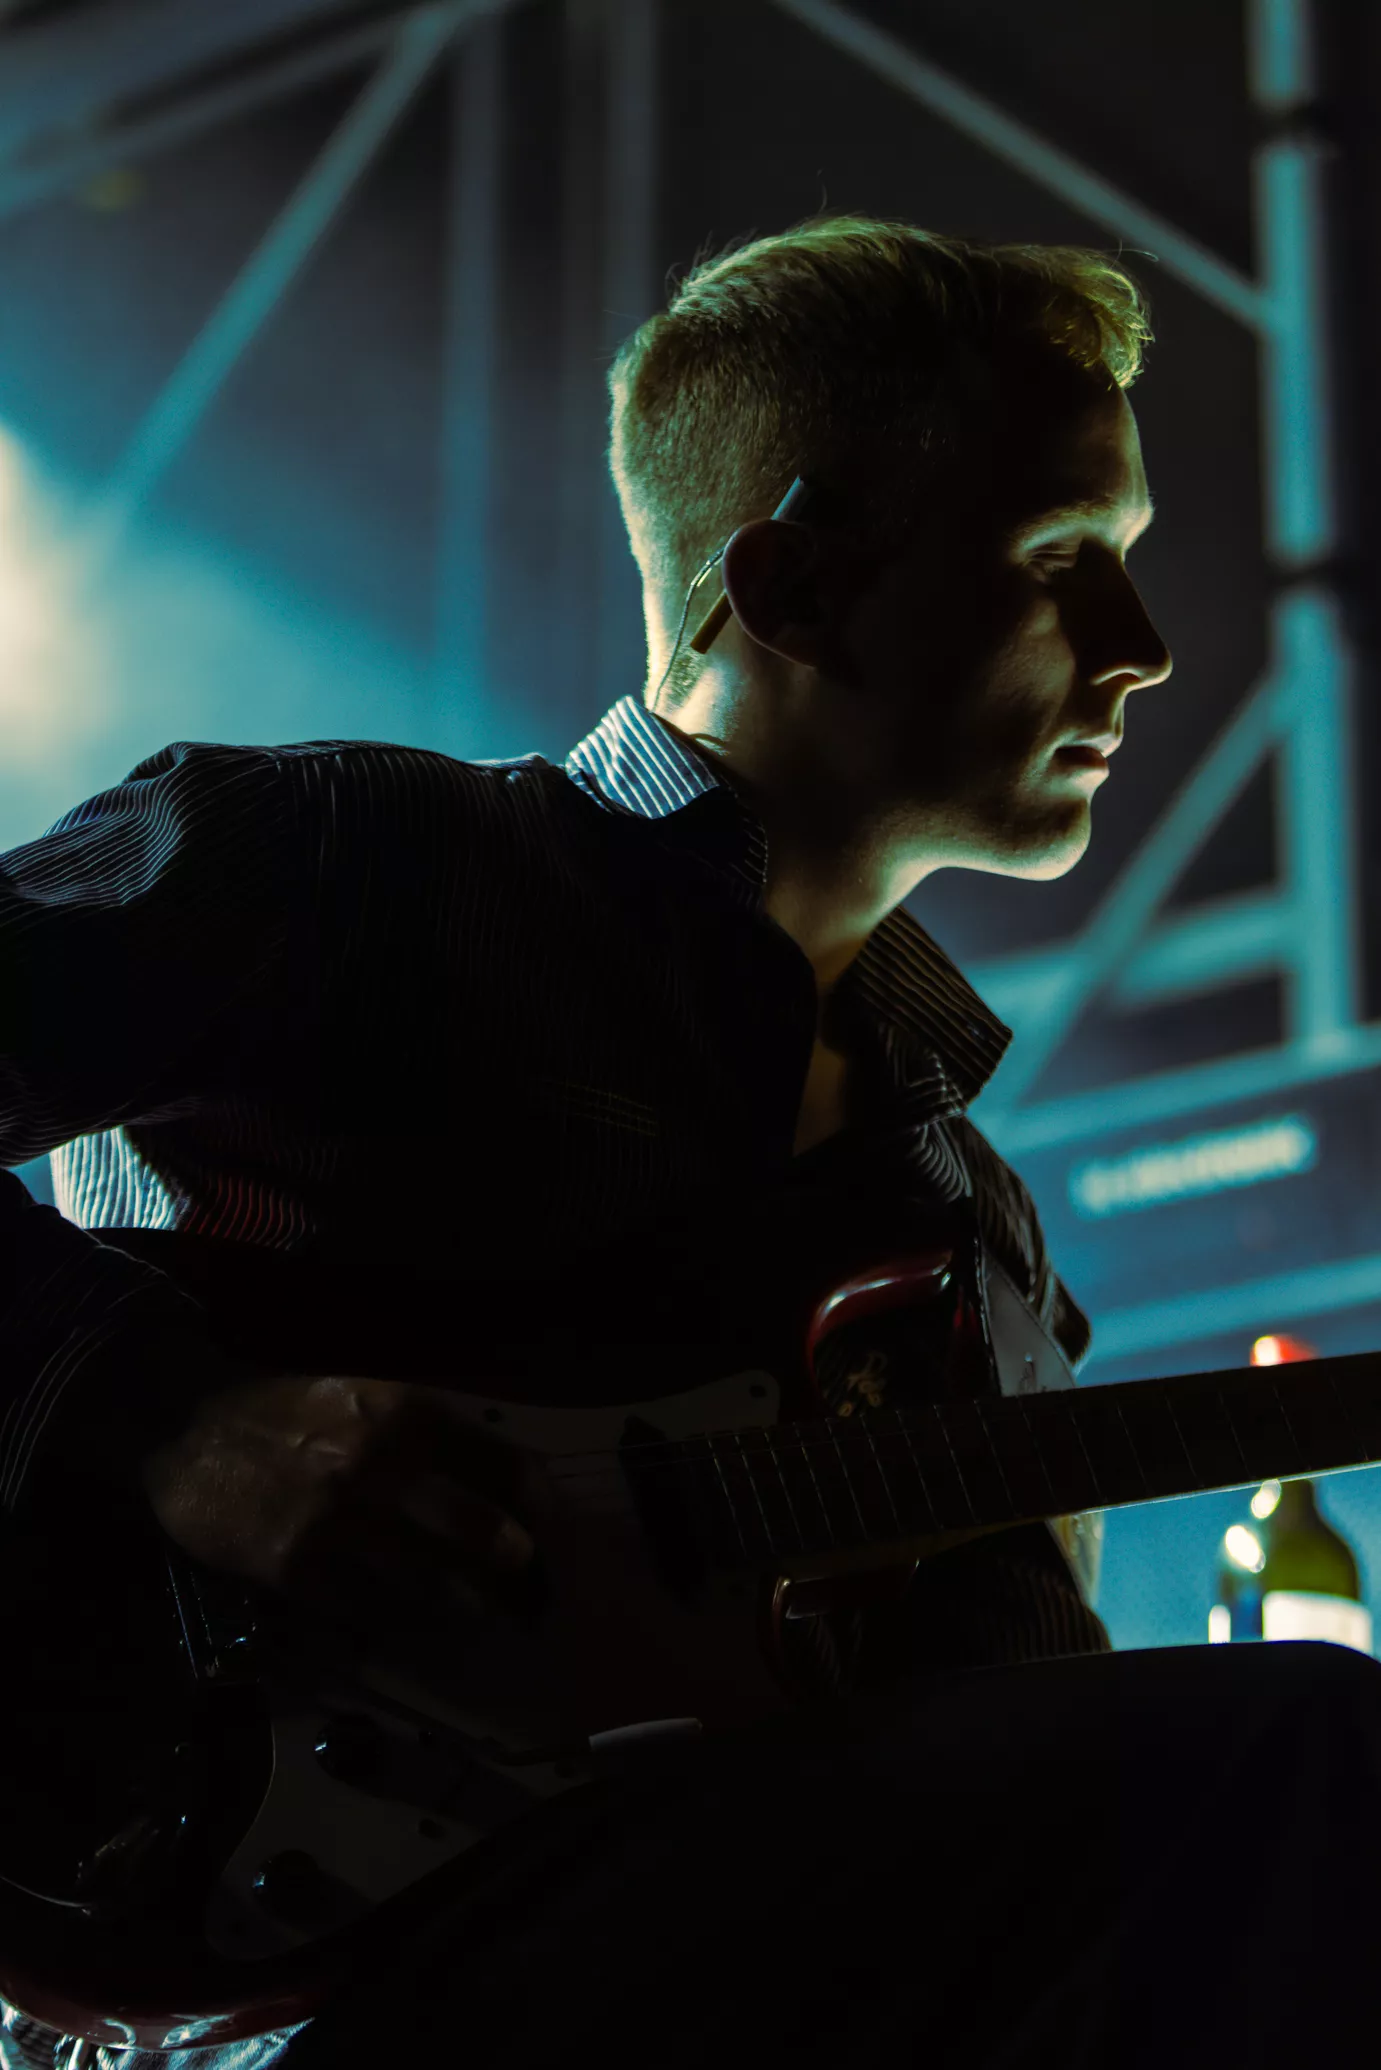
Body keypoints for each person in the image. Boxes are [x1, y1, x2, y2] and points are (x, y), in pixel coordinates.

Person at [3, 214, 1379, 2070]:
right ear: (792, 588)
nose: (1142, 649)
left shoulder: (970, 1232)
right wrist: (182, 1419)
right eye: (1062, 559)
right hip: (261, 1967)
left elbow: (1040, 1802)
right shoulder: (340, 862)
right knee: (1306, 1755)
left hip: (724, 1979)